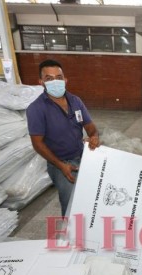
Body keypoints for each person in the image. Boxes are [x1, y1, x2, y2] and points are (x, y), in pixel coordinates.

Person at [26, 59, 100, 216]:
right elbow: (37, 144)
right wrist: (61, 165)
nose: (55, 81)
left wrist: (94, 136)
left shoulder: (75, 101)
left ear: (65, 80)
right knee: (71, 207)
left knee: (91, 200)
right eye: (49, 78)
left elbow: (91, 128)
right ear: (41, 82)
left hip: (84, 158)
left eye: (59, 77)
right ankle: (71, 238)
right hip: (61, 165)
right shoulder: (36, 109)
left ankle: (90, 237)